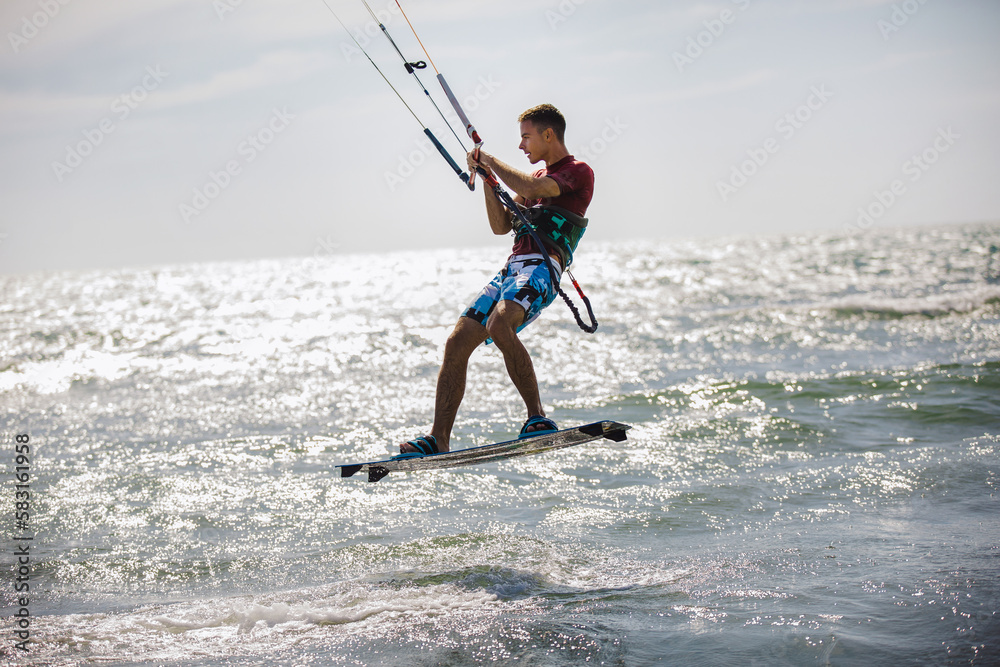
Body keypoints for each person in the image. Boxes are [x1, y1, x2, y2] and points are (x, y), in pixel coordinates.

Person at [398, 103, 594, 457]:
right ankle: (438, 439)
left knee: (500, 323)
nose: (522, 147)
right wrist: (488, 182)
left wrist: (490, 162)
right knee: (457, 341)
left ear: (548, 135)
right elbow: (501, 226)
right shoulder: (532, 182)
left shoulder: (577, 172)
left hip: (542, 267)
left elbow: (547, 191)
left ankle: (538, 418)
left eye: (526, 137)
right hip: (511, 269)